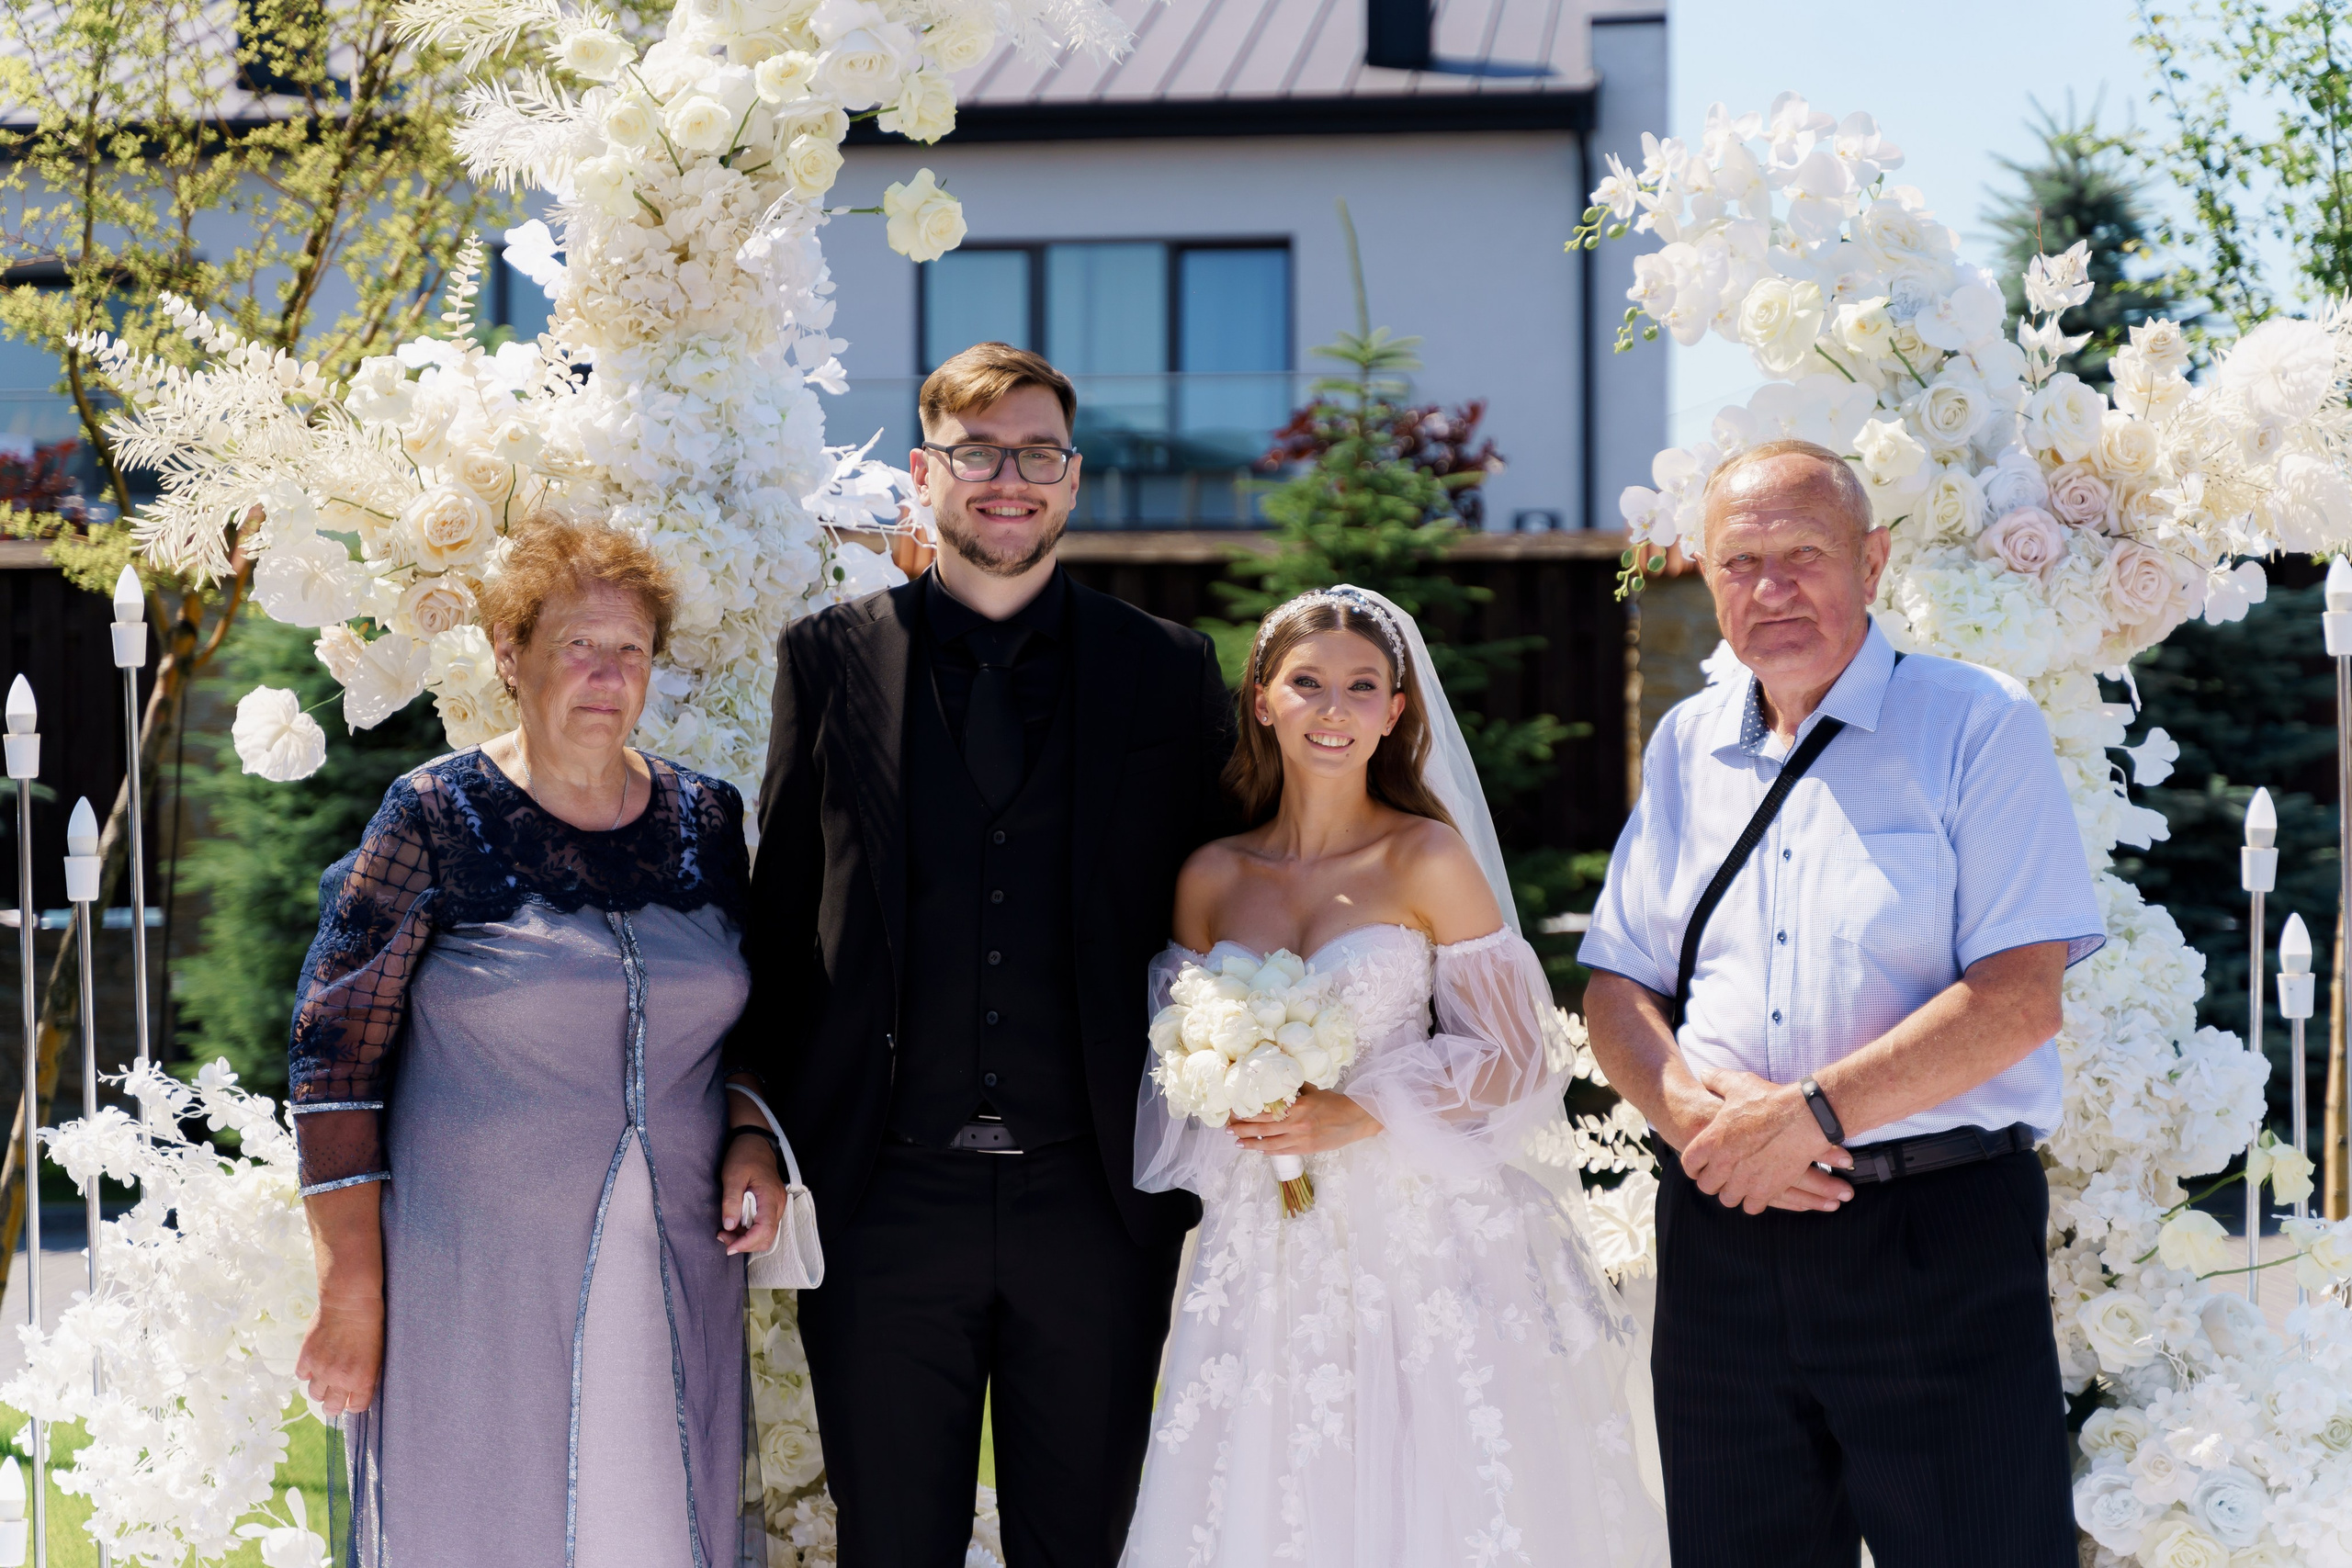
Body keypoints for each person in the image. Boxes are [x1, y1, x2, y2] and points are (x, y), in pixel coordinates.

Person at [736, 342, 1237, 1566]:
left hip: (1099, 1196)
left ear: (1072, 481)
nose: (1007, 478)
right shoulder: (828, 658)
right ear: (925, 472)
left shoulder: (1167, 670)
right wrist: (754, 1119)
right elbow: (782, 917)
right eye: (977, 452)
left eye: (1037, 454)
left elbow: (1225, 907)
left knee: (1086, 1541)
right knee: (892, 1540)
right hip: (885, 1195)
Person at [1579, 438, 2105, 1566]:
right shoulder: (1686, 746)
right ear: (1706, 578)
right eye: (1740, 562)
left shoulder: (1976, 724)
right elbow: (1617, 984)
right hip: (1723, 1234)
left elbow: (2019, 999)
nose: (1771, 589)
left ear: (1871, 563)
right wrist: (1699, 1123)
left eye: (1803, 554)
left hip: (1933, 1234)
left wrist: (1806, 1119)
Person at [1124, 585, 1668, 1568]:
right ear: (1262, 700)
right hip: (1266, 1244)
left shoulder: (1425, 857)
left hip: (1419, 1236)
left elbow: (1513, 1055)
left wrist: (1361, 1107)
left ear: (1395, 711)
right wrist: (1227, 1087)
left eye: (1361, 688)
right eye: (1307, 684)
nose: (1332, 710)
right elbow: (1173, 1063)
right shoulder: (1209, 875)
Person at [288, 517, 786, 1568]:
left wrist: (752, 1133)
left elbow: (755, 1017)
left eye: (632, 652)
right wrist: (350, 1289)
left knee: (653, 1520)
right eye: (577, 646)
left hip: (678, 1267)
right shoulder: (433, 814)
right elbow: (333, 1058)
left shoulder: (705, 818)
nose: (607, 675)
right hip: (472, 1279)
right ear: (509, 655)